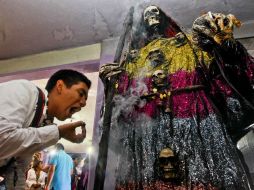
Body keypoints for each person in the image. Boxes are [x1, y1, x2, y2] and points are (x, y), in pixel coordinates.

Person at [97, 5, 254, 190]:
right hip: (146, 134)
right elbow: (119, 112)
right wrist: (112, 85)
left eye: (156, 11)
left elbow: (229, 74)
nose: (151, 16)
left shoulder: (191, 46)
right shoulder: (134, 60)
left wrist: (224, 45)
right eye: (146, 14)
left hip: (197, 126)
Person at [0, 69, 91, 188]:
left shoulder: (40, 121)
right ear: (60, 86)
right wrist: (58, 132)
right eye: (80, 93)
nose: (84, 103)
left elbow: (18, 169)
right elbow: (2, 138)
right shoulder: (24, 90)